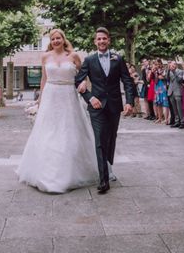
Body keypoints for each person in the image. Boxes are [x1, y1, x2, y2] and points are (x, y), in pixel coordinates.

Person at [17, 29, 99, 193]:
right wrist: (40, 99)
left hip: (69, 95)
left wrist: (84, 85)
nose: (56, 40)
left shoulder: (74, 56)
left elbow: (84, 75)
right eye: (53, 38)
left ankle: (73, 170)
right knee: (49, 131)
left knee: (70, 131)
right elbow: (44, 79)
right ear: (50, 41)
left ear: (63, 39)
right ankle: (45, 171)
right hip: (51, 95)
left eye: (58, 38)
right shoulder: (45, 57)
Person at [75, 27, 137, 194]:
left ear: (108, 40)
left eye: (104, 39)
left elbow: (127, 81)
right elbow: (77, 82)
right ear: (95, 42)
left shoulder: (118, 59)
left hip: (115, 105)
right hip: (96, 107)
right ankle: (103, 180)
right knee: (100, 140)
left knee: (111, 139)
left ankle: (108, 168)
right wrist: (89, 97)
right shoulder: (89, 60)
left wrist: (129, 102)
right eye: (98, 39)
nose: (101, 41)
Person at [166, 61, 184, 128]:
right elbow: (167, 79)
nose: (172, 66)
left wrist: (174, 72)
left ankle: (182, 122)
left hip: (178, 91)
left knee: (179, 108)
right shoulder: (169, 71)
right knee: (174, 108)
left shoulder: (180, 71)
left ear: (176, 65)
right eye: (171, 65)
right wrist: (168, 70)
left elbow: (179, 80)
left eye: (173, 64)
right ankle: (177, 121)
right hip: (171, 91)